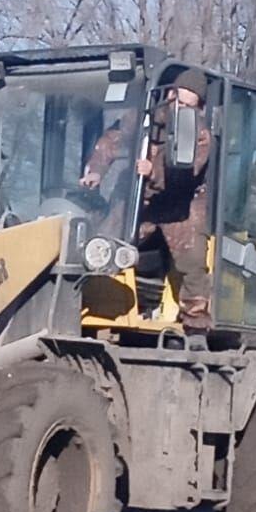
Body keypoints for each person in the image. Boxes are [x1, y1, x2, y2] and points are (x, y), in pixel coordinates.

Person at [81, 67, 213, 336]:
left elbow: (188, 174)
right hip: (141, 198)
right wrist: (96, 169)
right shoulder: (143, 118)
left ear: (198, 108)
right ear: (171, 94)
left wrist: (154, 172)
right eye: (177, 100)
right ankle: (92, 302)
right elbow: (111, 141)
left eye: (188, 105)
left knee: (192, 260)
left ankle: (196, 324)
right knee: (104, 241)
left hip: (181, 203)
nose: (179, 108)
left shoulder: (200, 136)